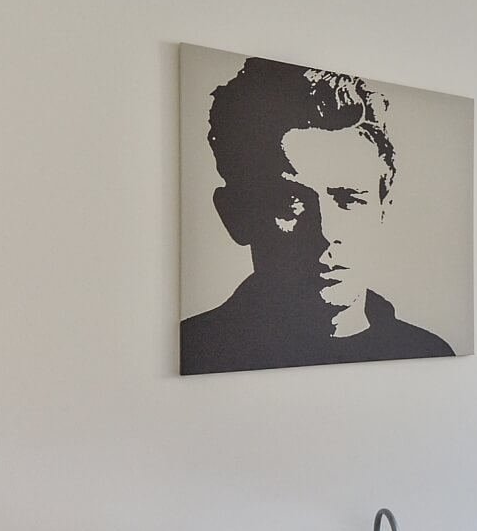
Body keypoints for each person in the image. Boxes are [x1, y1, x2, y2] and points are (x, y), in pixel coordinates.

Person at [181, 57, 454, 374]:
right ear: (235, 215)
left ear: (383, 210)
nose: (326, 231)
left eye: (350, 199)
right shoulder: (194, 351)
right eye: (290, 202)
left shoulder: (428, 353)